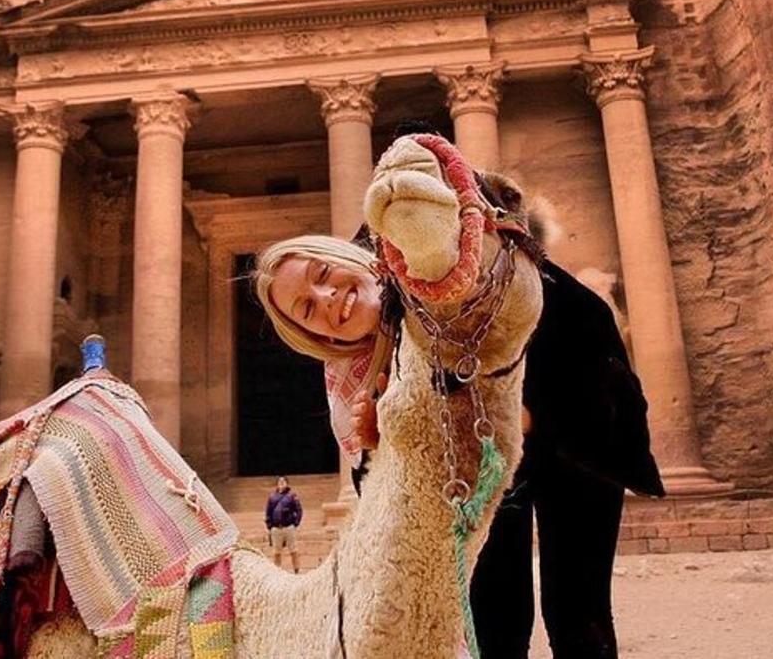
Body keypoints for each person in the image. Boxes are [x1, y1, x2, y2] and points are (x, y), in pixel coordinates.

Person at [251, 128, 663, 659]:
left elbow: (580, 334)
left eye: (323, 273)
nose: (328, 296)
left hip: (575, 421)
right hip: (475, 467)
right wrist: (382, 438)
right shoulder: (353, 379)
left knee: (579, 610)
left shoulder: (421, 239)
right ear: (317, 337)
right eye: (307, 308)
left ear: (344, 256)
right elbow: (387, 485)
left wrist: (526, 417)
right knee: (493, 620)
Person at [265, 476, 304, 572]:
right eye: (280, 481)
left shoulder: (292, 496)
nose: (281, 483)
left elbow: (299, 510)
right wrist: (269, 526)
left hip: (289, 527)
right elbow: (268, 512)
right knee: (276, 552)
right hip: (276, 528)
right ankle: (277, 571)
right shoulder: (272, 497)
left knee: (293, 550)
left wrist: (296, 523)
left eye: (283, 481)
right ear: (277, 484)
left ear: (287, 484)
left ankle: (297, 570)